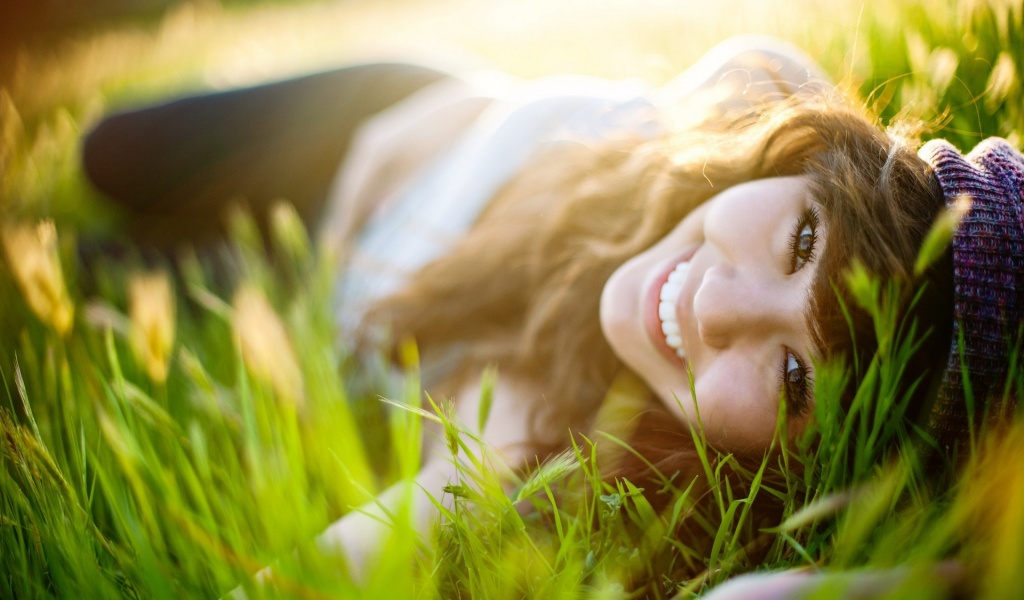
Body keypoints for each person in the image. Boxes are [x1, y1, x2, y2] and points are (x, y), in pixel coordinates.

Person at [80, 33, 1022, 595]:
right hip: (388, 122)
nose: (716, 304)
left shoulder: (540, 441)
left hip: (305, 274)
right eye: (804, 243)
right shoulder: (759, 95)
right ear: (806, 170)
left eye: (791, 374)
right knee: (104, 153)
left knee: (95, 268)